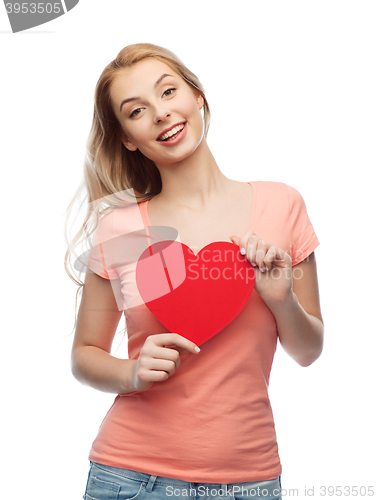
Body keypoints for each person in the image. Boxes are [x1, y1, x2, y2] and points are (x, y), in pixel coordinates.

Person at [64, 43, 324, 500]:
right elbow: (85, 354)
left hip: (251, 482)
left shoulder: (281, 205)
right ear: (127, 136)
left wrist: (281, 298)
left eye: (169, 92)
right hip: (129, 478)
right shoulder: (122, 226)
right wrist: (131, 374)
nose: (161, 114)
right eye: (137, 110)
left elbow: (308, 351)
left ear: (198, 97)